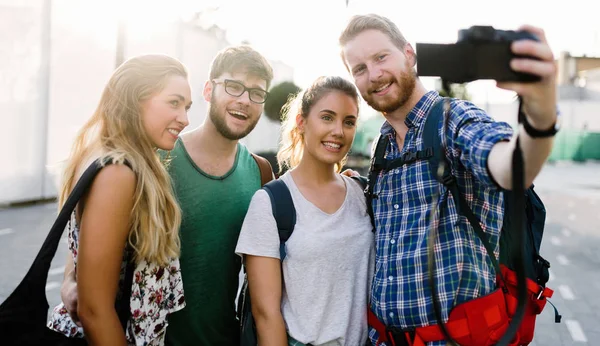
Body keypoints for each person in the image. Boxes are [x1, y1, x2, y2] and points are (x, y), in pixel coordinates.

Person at [338, 13, 559, 346]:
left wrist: (540, 115)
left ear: (409, 55)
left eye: (381, 57)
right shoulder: (381, 146)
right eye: (359, 68)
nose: (374, 74)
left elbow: (511, 167)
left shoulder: (453, 119)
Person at [60, 45, 274, 346]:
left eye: (257, 92)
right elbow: (87, 240)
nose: (244, 100)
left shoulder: (261, 173)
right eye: (234, 86)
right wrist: (71, 281)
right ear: (209, 89)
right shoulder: (150, 160)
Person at [48, 54, 192, 346]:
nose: (185, 119)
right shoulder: (118, 172)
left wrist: (69, 282)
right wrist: (75, 288)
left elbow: (80, 251)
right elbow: (94, 310)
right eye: (174, 103)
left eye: (187, 107)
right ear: (135, 100)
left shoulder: (100, 156)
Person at [235, 76, 375, 346]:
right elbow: (266, 315)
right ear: (302, 122)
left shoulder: (363, 194)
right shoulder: (272, 203)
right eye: (327, 117)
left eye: (348, 121)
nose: (338, 131)